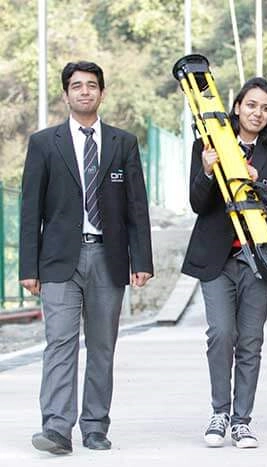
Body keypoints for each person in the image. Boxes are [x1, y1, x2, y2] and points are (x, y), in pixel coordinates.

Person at [19, 61, 153, 455]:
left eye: (91, 85)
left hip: (108, 258)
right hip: (59, 259)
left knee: (102, 345)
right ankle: (56, 427)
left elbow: (137, 206)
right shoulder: (45, 143)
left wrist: (141, 260)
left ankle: (95, 426)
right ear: (66, 95)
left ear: (102, 93)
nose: (84, 91)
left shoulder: (123, 143)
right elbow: (30, 209)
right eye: (76, 86)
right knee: (59, 342)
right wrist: (28, 267)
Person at [181, 77, 267, 449]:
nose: (257, 113)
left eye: (265, 108)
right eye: (251, 105)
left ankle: (242, 421)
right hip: (217, 258)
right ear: (237, 107)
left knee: (251, 340)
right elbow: (198, 203)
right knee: (220, 334)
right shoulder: (209, 143)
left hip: (257, 259)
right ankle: (219, 413)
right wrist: (207, 171)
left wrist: (260, 184)